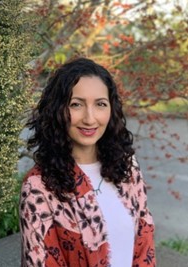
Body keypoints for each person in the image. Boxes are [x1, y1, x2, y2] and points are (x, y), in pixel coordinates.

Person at [19, 57, 156, 267]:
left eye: (100, 104)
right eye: (76, 104)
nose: (90, 118)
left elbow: (144, 243)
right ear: (57, 110)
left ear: (111, 110)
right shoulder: (38, 187)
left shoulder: (127, 167)